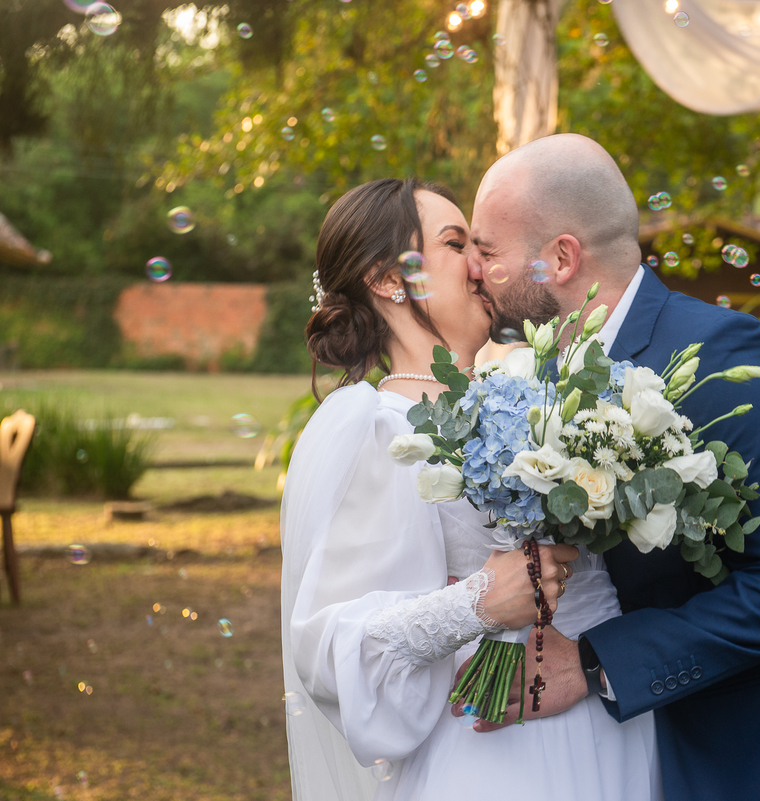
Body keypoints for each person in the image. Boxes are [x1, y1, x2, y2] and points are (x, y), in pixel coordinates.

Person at [463, 134, 760, 800]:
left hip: (744, 759)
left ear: (560, 258)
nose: (474, 269)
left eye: (487, 249)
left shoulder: (719, 353)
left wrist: (596, 663)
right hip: (604, 762)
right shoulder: (533, 375)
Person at [280, 177, 661, 801]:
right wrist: (479, 604)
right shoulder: (377, 427)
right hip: (496, 753)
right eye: (456, 244)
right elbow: (330, 647)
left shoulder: (533, 398)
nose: (481, 265)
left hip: (612, 731)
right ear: (388, 278)